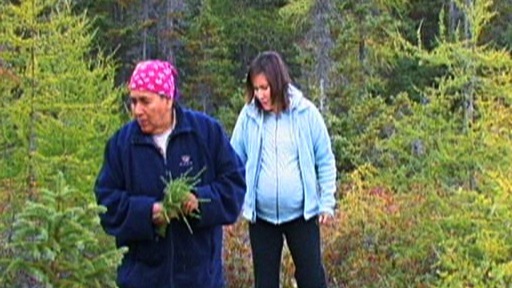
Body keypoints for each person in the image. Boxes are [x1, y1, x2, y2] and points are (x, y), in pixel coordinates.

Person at [94, 60, 246, 288]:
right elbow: (107, 205)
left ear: (168, 99)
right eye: (133, 101)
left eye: (145, 101)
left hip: (200, 278)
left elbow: (234, 187)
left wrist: (199, 201)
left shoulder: (205, 133)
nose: (137, 110)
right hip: (142, 279)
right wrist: (148, 213)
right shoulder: (121, 145)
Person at [230, 51, 336, 288]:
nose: (260, 95)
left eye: (265, 88)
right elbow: (233, 160)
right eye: (256, 89)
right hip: (262, 218)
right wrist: (232, 201)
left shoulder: (306, 113)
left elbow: (325, 159)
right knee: (265, 283)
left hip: (301, 214)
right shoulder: (248, 116)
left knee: (312, 280)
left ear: (277, 82)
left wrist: (326, 201)